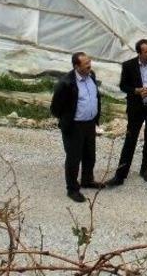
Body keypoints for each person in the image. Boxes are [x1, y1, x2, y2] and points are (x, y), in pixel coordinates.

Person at [108, 39, 147, 186]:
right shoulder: (129, 65)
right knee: (130, 140)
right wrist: (137, 91)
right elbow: (123, 86)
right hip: (137, 108)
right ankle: (120, 175)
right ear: (139, 53)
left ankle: (145, 169)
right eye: (146, 52)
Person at [51, 52, 105, 202]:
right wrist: (68, 119)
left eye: (89, 63)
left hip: (90, 124)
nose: (89, 66)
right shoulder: (66, 83)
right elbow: (55, 109)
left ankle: (87, 180)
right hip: (74, 126)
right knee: (74, 158)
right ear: (76, 66)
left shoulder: (91, 76)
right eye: (86, 64)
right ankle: (72, 189)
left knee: (89, 155)